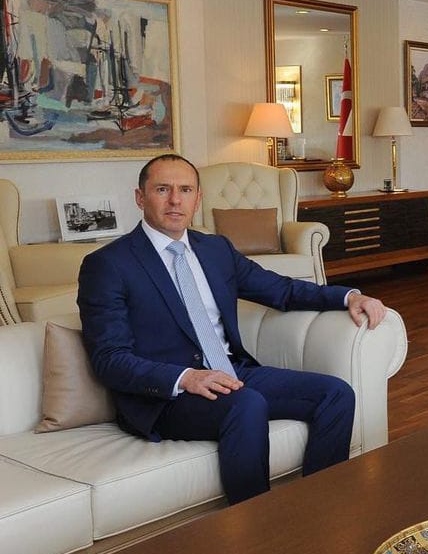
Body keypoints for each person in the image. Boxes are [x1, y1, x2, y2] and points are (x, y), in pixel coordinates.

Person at [77, 154, 388, 504]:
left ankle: (318, 510)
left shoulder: (215, 249)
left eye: (185, 190)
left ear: (198, 198)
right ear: (140, 197)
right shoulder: (108, 265)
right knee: (246, 404)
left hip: (232, 373)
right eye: (162, 189)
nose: (175, 200)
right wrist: (186, 378)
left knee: (336, 393)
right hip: (168, 398)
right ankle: (258, 523)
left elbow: (281, 289)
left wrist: (348, 296)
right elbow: (109, 358)